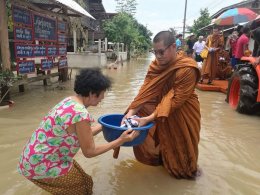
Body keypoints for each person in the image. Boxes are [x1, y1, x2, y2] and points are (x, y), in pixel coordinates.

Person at [17, 68, 139, 194]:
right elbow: (90, 151)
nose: (103, 97)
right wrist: (120, 141)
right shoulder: (80, 114)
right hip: (41, 164)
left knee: (86, 182)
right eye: (102, 93)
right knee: (80, 189)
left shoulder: (69, 101)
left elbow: (82, 135)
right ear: (92, 93)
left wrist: (105, 126)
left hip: (34, 158)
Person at [122, 31, 201, 179]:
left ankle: (184, 170)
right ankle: (158, 159)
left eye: (161, 52)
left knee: (182, 152)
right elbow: (145, 91)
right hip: (161, 106)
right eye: (155, 52)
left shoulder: (187, 68)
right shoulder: (155, 66)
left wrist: (149, 118)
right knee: (141, 111)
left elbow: (175, 100)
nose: (158, 56)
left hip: (182, 111)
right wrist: (131, 112)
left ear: (173, 47)